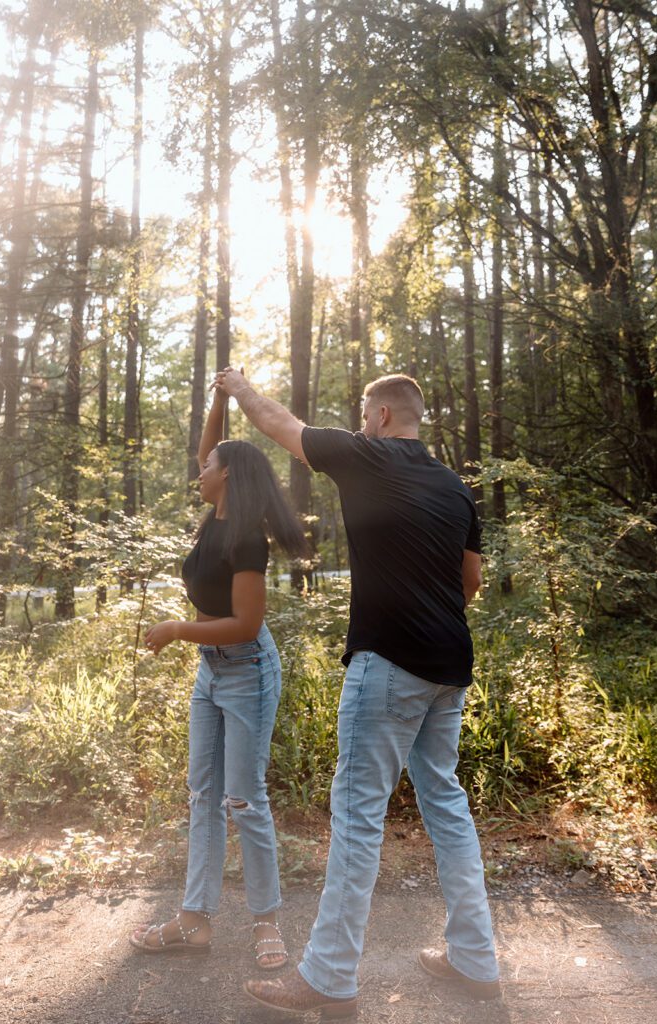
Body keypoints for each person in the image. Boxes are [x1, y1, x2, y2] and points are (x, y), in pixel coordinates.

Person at [214, 368, 500, 1016]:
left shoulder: (363, 455)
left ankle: (328, 976)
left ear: (376, 416)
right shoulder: (455, 489)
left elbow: (278, 425)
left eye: (362, 411)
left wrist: (238, 388)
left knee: (357, 817)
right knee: (447, 809)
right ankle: (476, 959)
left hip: (388, 663)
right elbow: (471, 582)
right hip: (447, 668)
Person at [130, 384, 306, 970]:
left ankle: (266, 923)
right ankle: (194, 920)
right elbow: (213, 446)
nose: (199, 469)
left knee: (243, 799)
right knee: (202, 794)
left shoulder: (245, 537)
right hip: (211, 676)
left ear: (226, 476)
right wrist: (219, 399)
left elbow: (245, 624)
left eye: (208, 465)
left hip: (248, 670)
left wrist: (178, 629)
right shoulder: (216, 516)